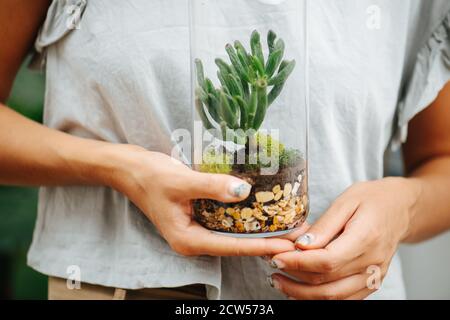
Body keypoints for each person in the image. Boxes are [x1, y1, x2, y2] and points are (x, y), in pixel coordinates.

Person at [1, 0, 450, 300]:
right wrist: (124, 169)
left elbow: (441, 160)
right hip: (127, 287)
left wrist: (403, 207)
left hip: (337, 288)